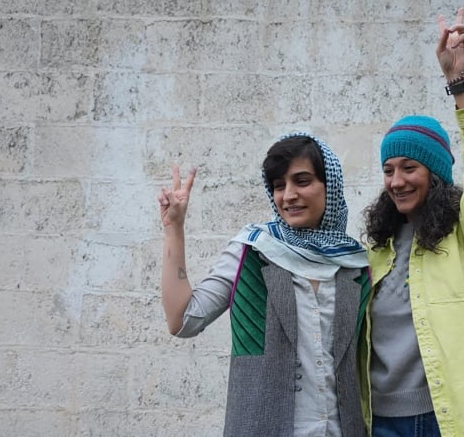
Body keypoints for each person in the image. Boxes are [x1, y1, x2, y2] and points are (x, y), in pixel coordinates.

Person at [359, 7, 464, 437]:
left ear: (435, 173)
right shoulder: (377, 249)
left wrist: (461, 84)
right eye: (388, 169)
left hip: (453, 421)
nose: (396, 181)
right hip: (381, 424)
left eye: (409, 167)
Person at [158, 133, 370, 436]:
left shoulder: (356, 264)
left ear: (331, 186)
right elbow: (183, 320)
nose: (288, 195)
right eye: (279, 186)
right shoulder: (253, 250)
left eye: (302, 181)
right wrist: (173, 230)